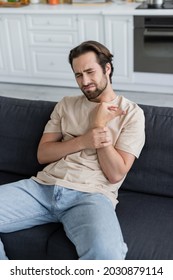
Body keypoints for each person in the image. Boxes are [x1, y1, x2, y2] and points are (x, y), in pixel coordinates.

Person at [0, 41, 145, 260]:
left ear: (107, 69)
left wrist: (99, 127)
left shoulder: (131, 113)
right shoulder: (66, 104)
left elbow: (116, 173)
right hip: (43, 188)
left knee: (107, 254)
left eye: (90, 72)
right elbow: (43, 154)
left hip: (91, 195)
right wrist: (85, 140)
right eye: (78, 75)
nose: (84, 82)